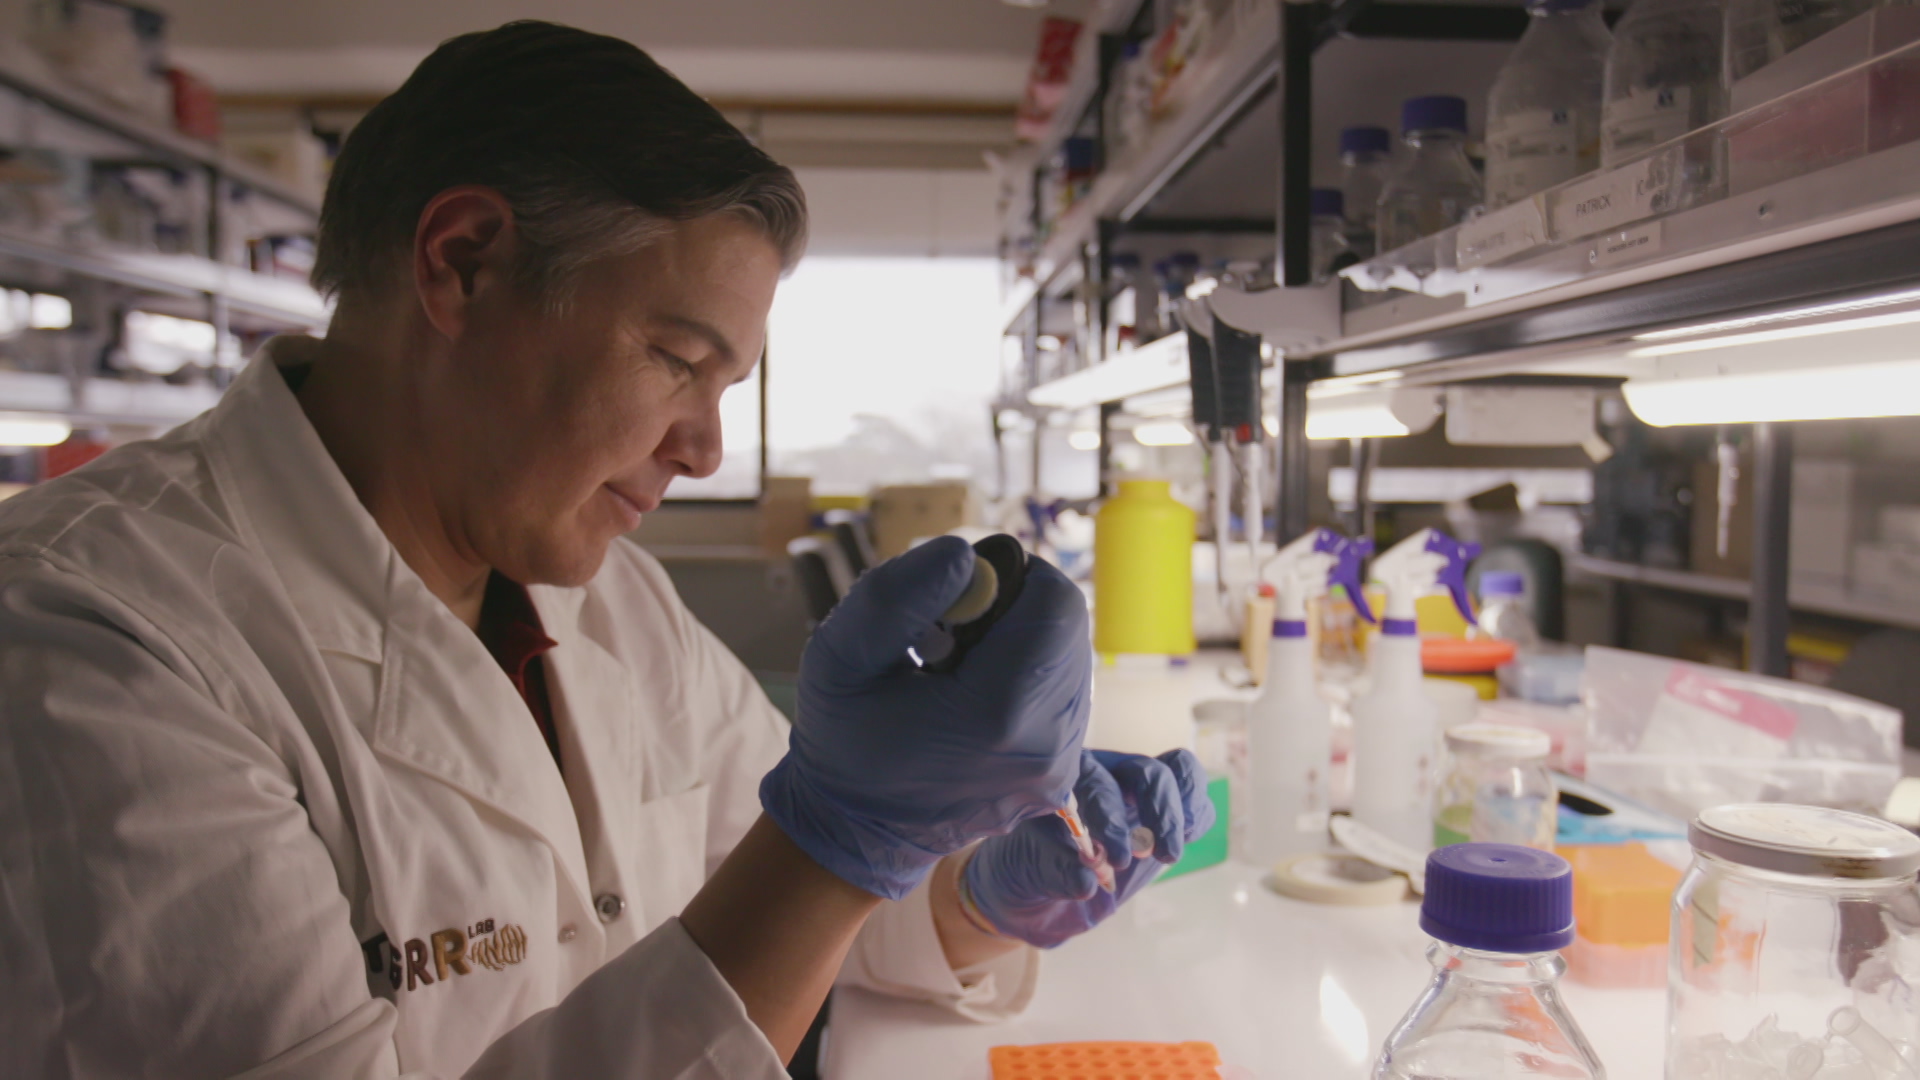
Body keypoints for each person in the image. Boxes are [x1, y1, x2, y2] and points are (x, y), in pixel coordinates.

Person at [0, 22, 1212, 1079]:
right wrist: (849, 836)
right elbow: (811, 870)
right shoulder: (94, 645)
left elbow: (780, 895)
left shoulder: (604, 596)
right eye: (678, 360)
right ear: (461, 262)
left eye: (728, 385)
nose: (702, 449)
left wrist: (975, 894)